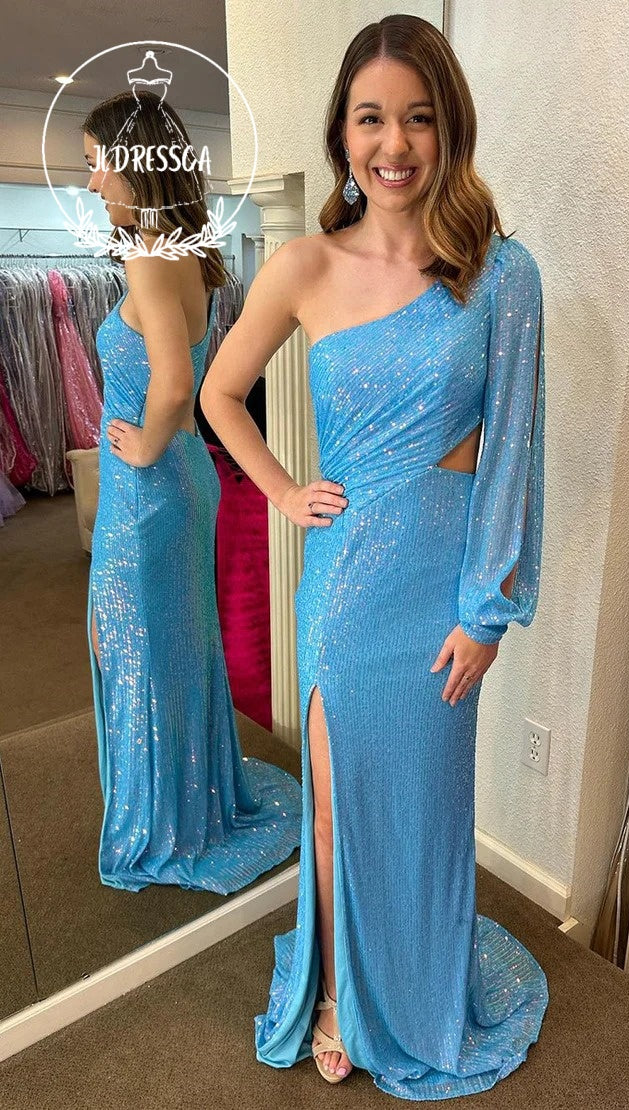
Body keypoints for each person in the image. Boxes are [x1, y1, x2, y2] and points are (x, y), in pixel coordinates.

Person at [200, 14, 547, 1100]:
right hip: (345, 593)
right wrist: (282, 489)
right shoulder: (303, 264)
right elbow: (219, 393)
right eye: (369, 119)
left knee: (427, 806)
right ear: (342, 135)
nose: (393, 144)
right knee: (333, 804)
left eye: (417, 118)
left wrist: (487, 611)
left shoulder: (500, 275)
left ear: (449, 130)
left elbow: (512, 453)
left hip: (440, 597)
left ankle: (417, 986)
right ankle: (340, 992)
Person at [83, 90, 301, 893]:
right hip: (180, 480)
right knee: (175, 645)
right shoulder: (190, 255)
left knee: (132, 643)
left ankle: (164, 817)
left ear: (134, 163)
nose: (92, 180)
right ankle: (192, 796)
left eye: (98, 162)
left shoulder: (149, 255)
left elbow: (176, 382)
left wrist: (142, 444)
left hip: (150, 486)